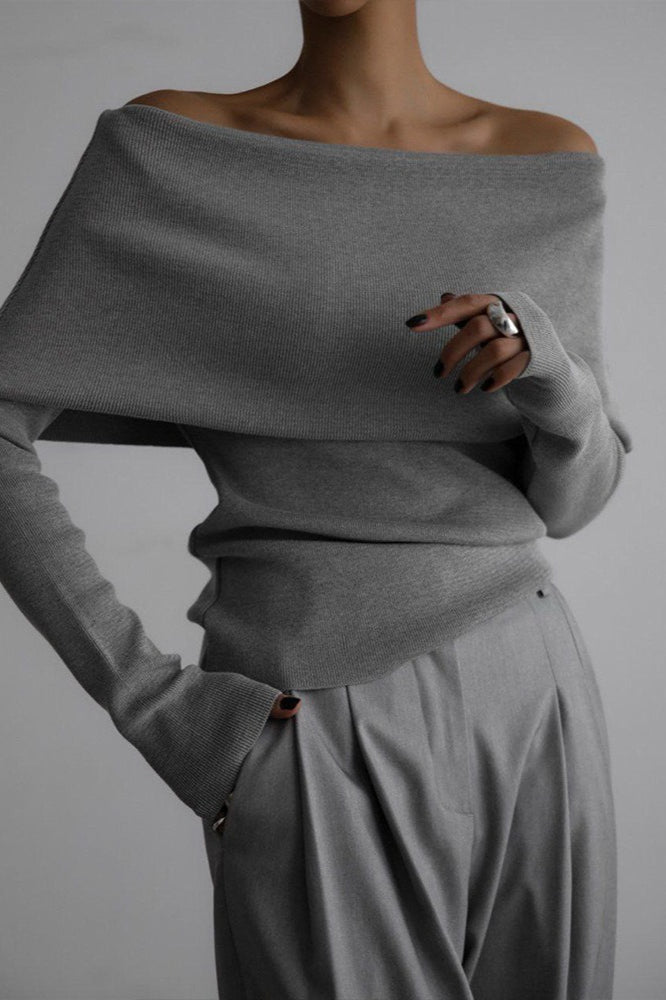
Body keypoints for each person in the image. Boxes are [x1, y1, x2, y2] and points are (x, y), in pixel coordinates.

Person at [0, 1, 633, 997]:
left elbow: (574, 501)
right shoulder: (170, 153)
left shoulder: (548, 162)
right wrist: (156, 707)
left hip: (534, 688)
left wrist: (555, 381)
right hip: (315, 706)